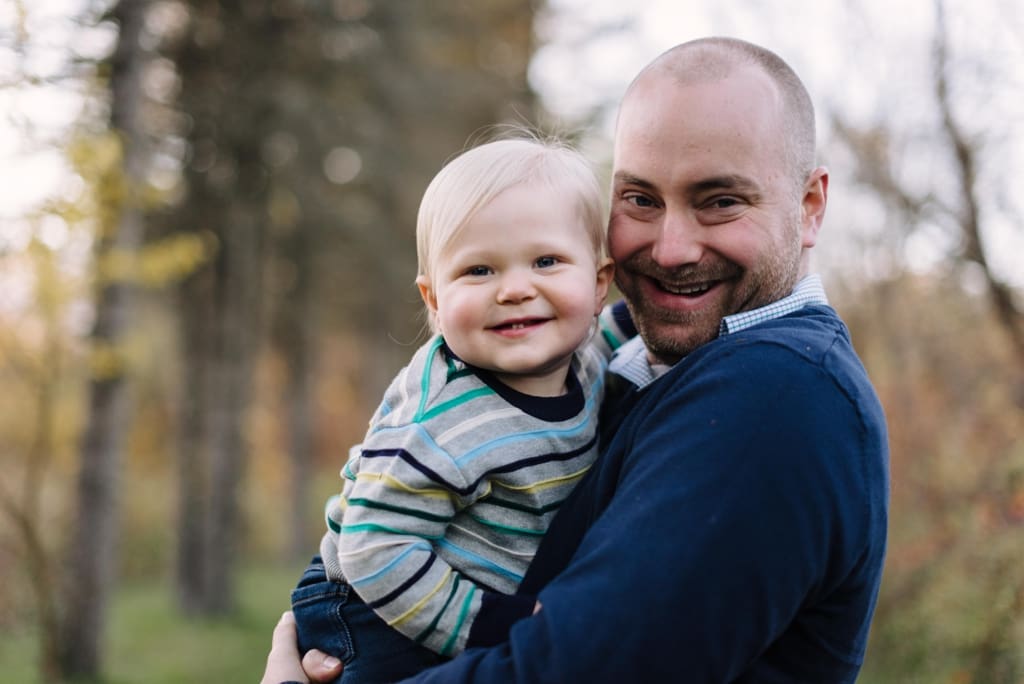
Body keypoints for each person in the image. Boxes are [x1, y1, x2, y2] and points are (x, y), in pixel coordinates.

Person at [263, 35, 889, 683]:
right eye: (641, 200)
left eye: (721, 201)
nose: (670, 249)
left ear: (810, 206)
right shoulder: (639, 356)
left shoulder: (779, 394)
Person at [288, 135, 634, 683]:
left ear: (598, 285)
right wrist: (491, 623)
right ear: (434, 300)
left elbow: (615, 333)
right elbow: (375, 548)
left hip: (444, 594)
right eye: (479, 271)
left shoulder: (581, 358)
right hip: (374, 602)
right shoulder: (441, 423)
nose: (516, 289)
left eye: (546, 261)